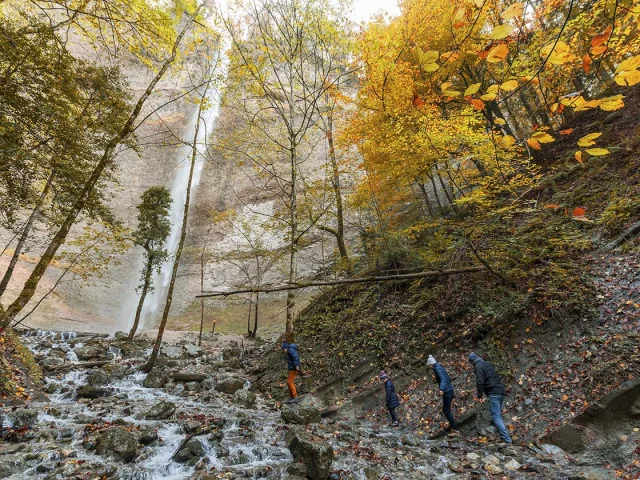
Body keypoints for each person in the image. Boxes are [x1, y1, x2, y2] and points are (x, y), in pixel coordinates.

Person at [468, 352, 512, 444]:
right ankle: (499, 434)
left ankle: (507, 439)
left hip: (493, 392)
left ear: (472, 361)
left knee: (496, 416)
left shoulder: (478, 366)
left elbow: (480, 381)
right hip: (500, 390)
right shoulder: (487, 363)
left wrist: (479, 394)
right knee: (498, 414)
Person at [427, 355, 458, 435]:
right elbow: (448, 378)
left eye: (429, 365)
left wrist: (442, 389)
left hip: (447, 391)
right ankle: (453, 427)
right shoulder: (440, 367)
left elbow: (444, 378)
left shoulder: (437, 368)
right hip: (449, 390)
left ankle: (455, 429)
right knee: (446, 409)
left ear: (431, 364)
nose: (429, 367)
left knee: (446, 410)